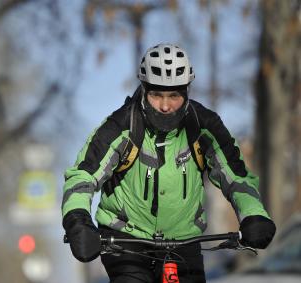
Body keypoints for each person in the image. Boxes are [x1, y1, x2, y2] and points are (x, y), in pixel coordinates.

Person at [61, 43, 276, 283]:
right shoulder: (121, 126)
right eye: (156, 95)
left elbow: (236, 177)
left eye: (174, 95)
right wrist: (77, 221)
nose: (165, 106)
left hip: (184, 243)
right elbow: (83, 177)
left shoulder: (203, 126)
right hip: (126, 243)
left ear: (186, 92)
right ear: (144, 91)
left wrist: (253, 215)